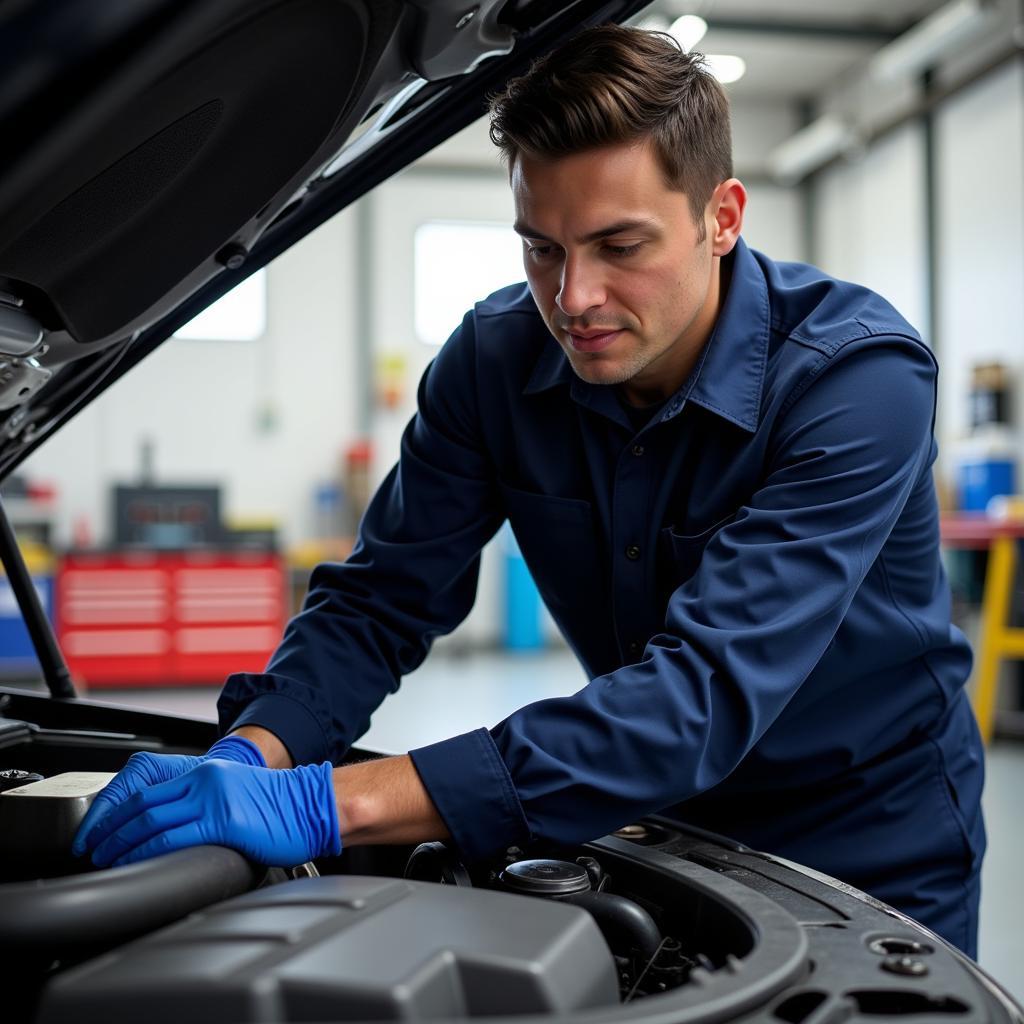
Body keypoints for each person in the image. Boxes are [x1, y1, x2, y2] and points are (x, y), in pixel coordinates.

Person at [74, 24, 986, 957]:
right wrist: (254, 750)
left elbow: (696, 698)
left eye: (618, 245)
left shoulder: (857, 381)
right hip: (658, 823)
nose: (574, 296)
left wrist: (322, 803)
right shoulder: (495, 360)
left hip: (868, 845)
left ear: (723, 216)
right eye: (541, 249)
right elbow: (381, 598)